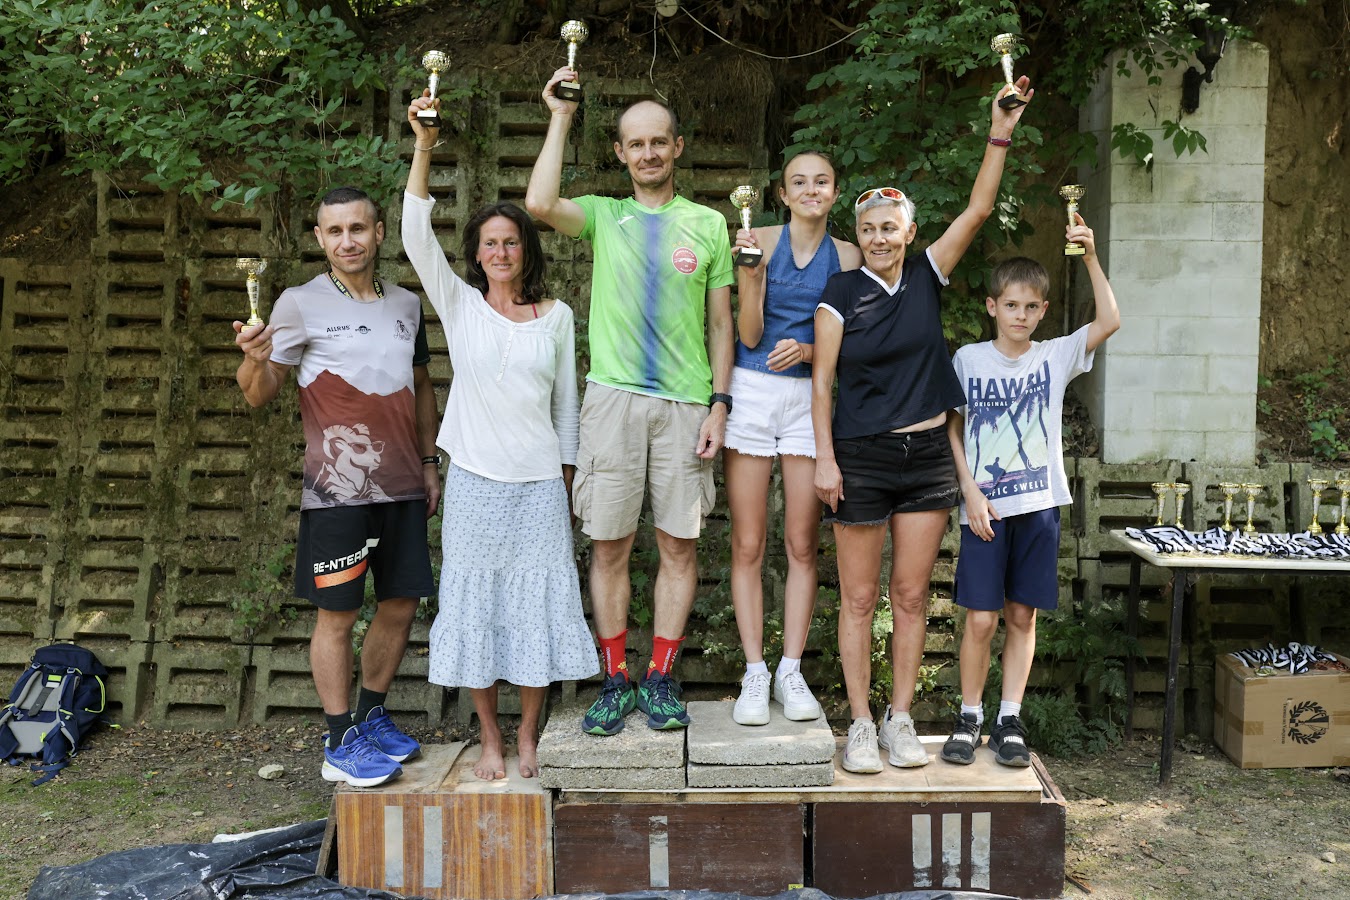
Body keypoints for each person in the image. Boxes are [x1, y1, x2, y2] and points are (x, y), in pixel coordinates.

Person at [812, 78, 1033, 774]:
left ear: (909, 233)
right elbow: (821, 381)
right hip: (860, 457)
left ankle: (900, 719)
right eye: (869, 229)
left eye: (891, 228)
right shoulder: (840, 292)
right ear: (859, 237)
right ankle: (858, 724)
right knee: (857, 599)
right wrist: (825, 458)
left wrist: (1000, 131)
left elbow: (979, 207)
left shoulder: (928, 274)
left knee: (910, 597)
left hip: (930, 457)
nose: (880, 238)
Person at [525, 66, 735, 735]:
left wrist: (720, 404)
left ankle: (661, 677)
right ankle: (615, 678)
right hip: (612, 402)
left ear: (677, 148)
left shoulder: (709, 224)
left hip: (686, 405)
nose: (647, 153)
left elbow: (722, 325)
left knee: (678, 545)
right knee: (609, 546)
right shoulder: (603, 215)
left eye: (658, 142)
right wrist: (560, 116)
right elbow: (538, 203)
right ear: (620, 152)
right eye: (635, 143)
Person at [402, 92, 599, 780]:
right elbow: (414, 235)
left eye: (511, 241)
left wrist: (567, 482)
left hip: (540, 486)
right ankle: (489, 737)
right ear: (476, 254)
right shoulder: (460, 307)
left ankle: (527, 737)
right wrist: (424, 146)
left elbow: (568, 407)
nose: (501, 251)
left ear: (526, 249)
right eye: (489, 243)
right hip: (475, 484)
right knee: (477, 609)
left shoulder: (557, 316)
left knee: (537, 611)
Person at [233, 186, 440, 788]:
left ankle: (371, 716)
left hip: (403, 484)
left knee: (400, 605)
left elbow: (422, 386)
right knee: (338, 614)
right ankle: (337, 739)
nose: (347, 241)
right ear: (320, 239)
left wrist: (430, 462)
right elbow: (259, 392)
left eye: (358, 228)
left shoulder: (406, 304)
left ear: (379, 233)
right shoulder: (298, 303)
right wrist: (253, 358)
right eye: (335, 231)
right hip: (336, 492)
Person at [943, 218, 1120, 767]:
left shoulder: (1054, 356)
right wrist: (969, 491)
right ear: (992, 307)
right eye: (1010, 305)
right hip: (985, 509)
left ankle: (1008, 720)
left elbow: (1110, 320)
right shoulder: (969, 359)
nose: (1019, 315)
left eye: (1030, 307)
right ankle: (968, 717)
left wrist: (1090, 256)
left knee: (1022, 617)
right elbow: (952, 428)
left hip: (1038, 507)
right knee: (981, 619)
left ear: (1042, 311)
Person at [726, 151, 862, 726]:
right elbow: (748, 334)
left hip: (812, 397)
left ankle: (790, 669)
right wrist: (751, 280)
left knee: (803, 544)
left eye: (821, 181)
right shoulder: (758, 238)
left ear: (835, 192)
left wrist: (808, 350)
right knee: (748, 544)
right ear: (781, 193)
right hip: (753, 390)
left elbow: (856, 340)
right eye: (799, 182)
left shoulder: (849, 255)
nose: (811, 190)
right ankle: (755, 671)